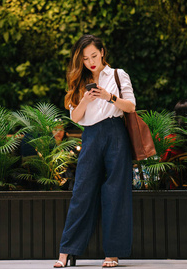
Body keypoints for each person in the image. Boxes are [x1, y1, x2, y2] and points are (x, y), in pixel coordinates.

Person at [54, 35, 136, 268]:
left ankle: (113, 254)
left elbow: (130, 106)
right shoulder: (79, 80)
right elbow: (75, 117)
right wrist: (87, 100)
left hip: (115, 133)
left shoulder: (118, 75)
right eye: (85, 58)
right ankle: (66, 251)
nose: (90, 61)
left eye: (93, 56)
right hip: (90, 136)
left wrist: (109, 97)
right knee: (82, 190)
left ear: (102, 52)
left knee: (115, 192)